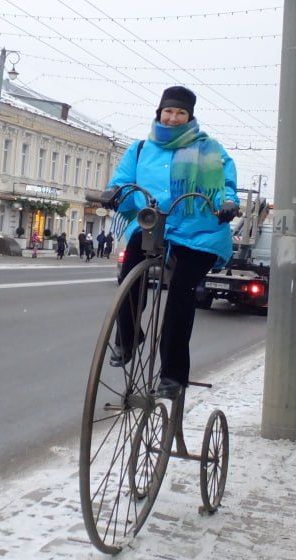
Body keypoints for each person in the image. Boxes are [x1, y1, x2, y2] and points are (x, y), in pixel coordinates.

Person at [100, 86, 240, 400]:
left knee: (181, 292)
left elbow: (227, 183)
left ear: (190, 116)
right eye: (168, 111)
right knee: (129, 277)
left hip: (198, 230)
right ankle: (129, 336)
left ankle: (173, 375)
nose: (173, 118)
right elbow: (122, 181)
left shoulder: (209, 149)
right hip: (154, 225)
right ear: (159, 112)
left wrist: (229, 203)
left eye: (180, 113)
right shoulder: (139, 149)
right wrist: (114, 194)